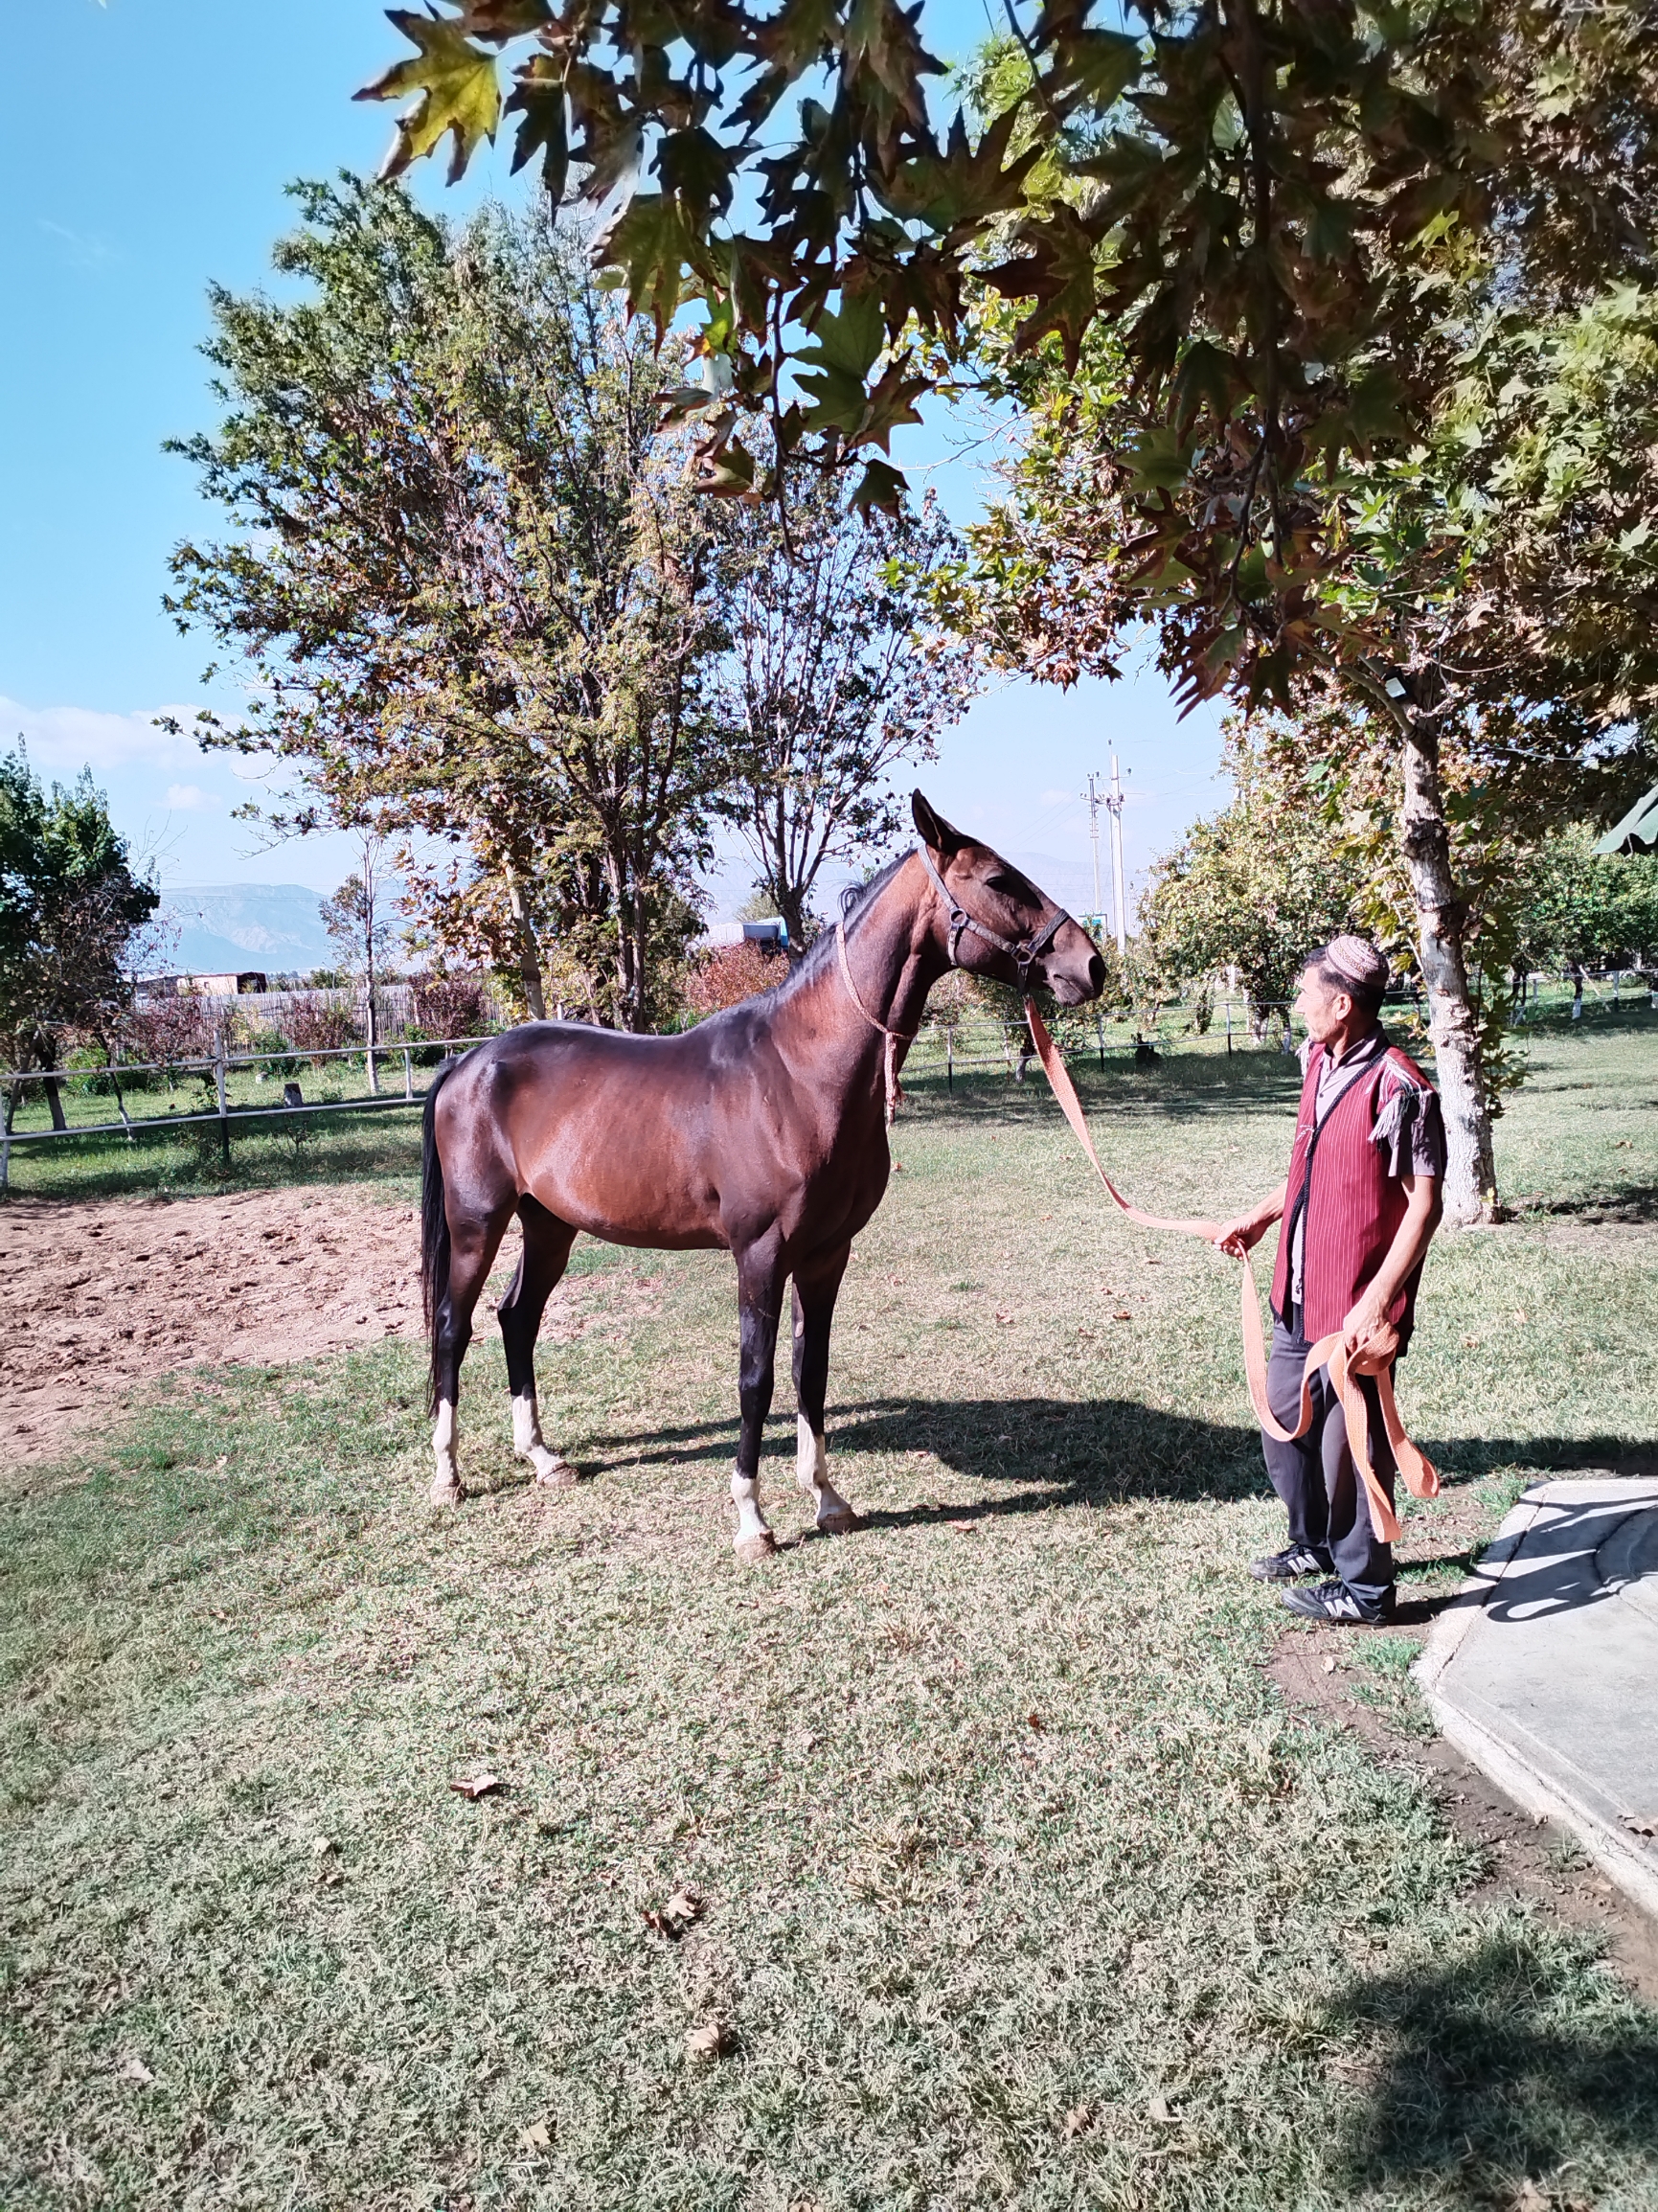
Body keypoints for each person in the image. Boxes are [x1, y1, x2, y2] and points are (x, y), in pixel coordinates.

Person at [1214, 937, 1445, 1624]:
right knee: (1282, 1421)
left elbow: (1423, 1205)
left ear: (1341, 1004)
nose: (1296, 1004)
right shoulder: (1318, 1059)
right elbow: (1312, 1165)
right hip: (1297, 1286)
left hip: (1356, 1307)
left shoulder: (1400, 1086)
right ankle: (1310, 1542)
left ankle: (1366, 1590)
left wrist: (1375, 1303)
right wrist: (1261, 1216)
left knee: (1352, 1446)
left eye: (1304, 994)